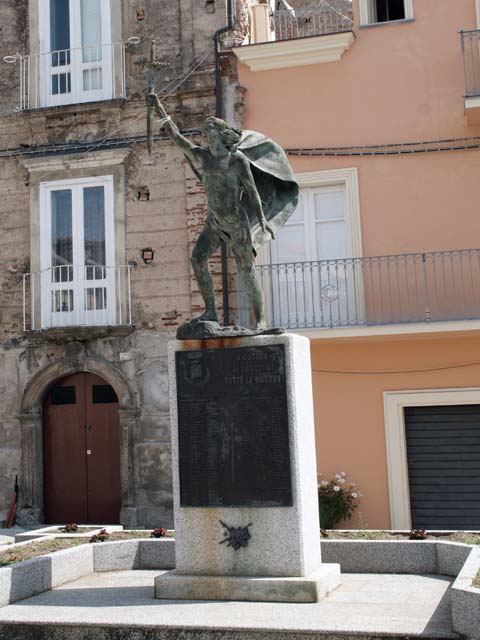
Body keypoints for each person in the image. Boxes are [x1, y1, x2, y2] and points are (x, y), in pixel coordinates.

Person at [146, 92, 298, 330]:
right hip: (214, 222)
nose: (205, 137)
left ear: (220, 133)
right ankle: (210, 312)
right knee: (197, 259)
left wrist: (262, 221)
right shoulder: (203, 157)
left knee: (246, 268)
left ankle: (260, 320)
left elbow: (253, 192)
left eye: (209, 132)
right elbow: (177, 138)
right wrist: (159, 109)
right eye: (204, 134)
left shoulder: (237, 160)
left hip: (237, 222)